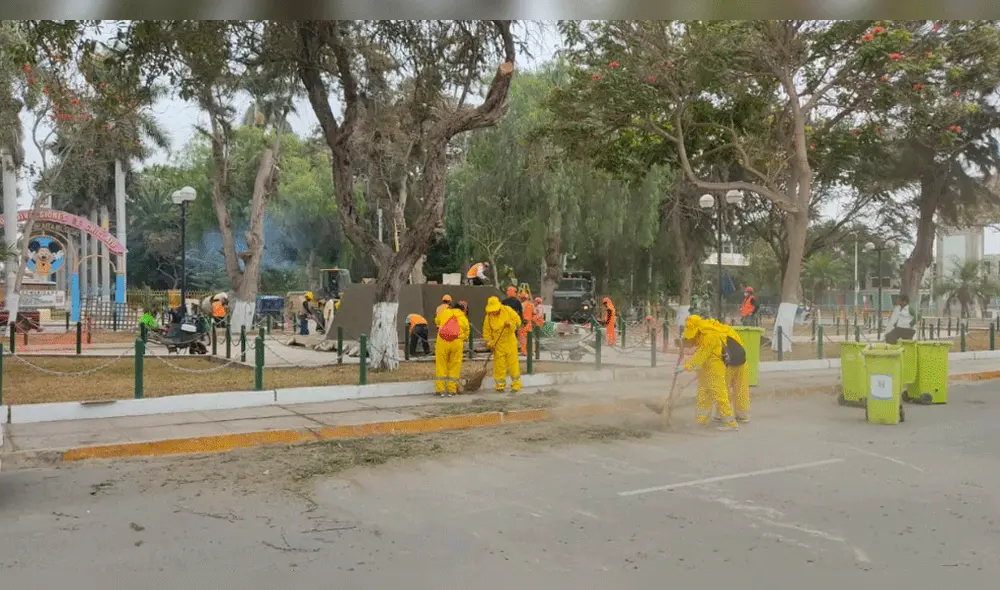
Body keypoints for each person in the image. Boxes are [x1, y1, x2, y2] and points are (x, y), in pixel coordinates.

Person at [677, 314, 738, 431]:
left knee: (720, 394)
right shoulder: (701, 333)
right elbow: (692, 341)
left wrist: (684, 367)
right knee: (703, 394)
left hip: (714, 368)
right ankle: (701, 420)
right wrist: (682, 341)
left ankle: (731, 424)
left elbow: (701, 356)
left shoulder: (710, 335)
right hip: (705, 369)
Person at [704, 317, 751, 423]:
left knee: (723, 389)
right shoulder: (728, 330)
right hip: (742, 362)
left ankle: (722, 414)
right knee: (741, 389)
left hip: (727, 364)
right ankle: (742, 415)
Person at [483, 296, 522, 393]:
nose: (493, 312)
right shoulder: (488, 318)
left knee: (513, 365)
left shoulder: (508, 310)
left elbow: (518, 322)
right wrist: (490, 344)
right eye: (492, 311)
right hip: (498, 344)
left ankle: (516, 385)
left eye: (495, 310)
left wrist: (511, 324)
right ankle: (500, 386)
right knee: (499, 366)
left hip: (510, 342)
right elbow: (486, 333)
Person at [434, 300, 471, 396]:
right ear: (463, 309)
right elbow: (467, 333)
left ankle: (440, 389)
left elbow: (437, 321)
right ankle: (452, 390)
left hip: (442, 341)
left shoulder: (445, 312)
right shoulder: (463, 317)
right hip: (456, 342)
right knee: (454, 366)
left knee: (441, 365)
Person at [518, 291, 534, 355]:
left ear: (522, 298)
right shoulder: (531, 305)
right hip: (529, 323)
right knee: (529, 338)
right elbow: (534, 314)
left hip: (524, 323)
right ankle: (531, 351)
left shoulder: (522, 305)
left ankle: (524, 351)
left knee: (523, 338)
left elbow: (520, 314)